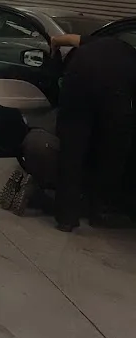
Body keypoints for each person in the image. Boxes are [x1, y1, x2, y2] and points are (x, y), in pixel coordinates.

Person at [50, 32, 136, 231]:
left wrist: (54, 44)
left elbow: (68, 39)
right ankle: (100, 212)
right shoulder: (128, 60)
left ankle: (66, 218)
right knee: (113, 151)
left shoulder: (102, 42)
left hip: (77, 75)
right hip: (113, 89)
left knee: (71, 150)